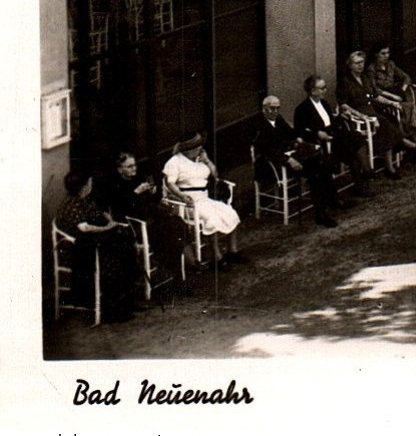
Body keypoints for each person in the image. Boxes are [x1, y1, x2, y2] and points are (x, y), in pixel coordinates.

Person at [55, 171, 141, 322]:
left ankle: (125, 301)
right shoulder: (72, 203)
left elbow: (99, 213)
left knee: (124, 244)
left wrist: (109, 221)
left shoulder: (85, 200)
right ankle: (110, 308)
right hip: (77, 246)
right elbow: (84, 228)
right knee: (113, 257)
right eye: (89, 182)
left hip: (92, 240)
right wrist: (108, 228)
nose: (91, 185)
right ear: (83, 186)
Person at [103, 151, 188, 296]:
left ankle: (177, 273)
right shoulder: (115, 185)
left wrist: (153, 192)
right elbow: (121, 210)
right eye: (129, 167)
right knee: (169, 232)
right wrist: (136, 193)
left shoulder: (138, 179)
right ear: (119, 169)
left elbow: (151, 203)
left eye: (134, 165)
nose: (133, 169)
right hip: (135, 227)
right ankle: (176, 276)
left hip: (150, 220)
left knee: (177, 224)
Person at [249, 94, 341, 228]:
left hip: (287, 157)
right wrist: (288, 160)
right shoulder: (258, 124)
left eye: (277, 108)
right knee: (316, 171)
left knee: (319, 165)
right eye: (272, 108)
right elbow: (265, 150)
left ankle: (330, 202)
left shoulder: (278, 119)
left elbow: (290, 133)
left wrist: (298, 138)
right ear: (264, 108)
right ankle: (322, 212)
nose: (275, 111)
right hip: (271, 165)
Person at [161, 132, 244, 268]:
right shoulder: (175, 162)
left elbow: (215, 175)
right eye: (198, 148)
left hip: (204, 199)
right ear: (188, 150)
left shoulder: (200, 158)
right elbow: (170, 184)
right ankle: (217, 257)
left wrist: (207, 161)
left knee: (231, 212)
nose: (201, 150)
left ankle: (232, 251)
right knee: (212, 219)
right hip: (188, 203)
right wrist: (182, 196)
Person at [337, 48, 415, 170]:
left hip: (372, 110)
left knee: (390, 120)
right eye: (357, 63)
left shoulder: (365, 78)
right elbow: (343, 105)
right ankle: (403, 147)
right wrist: (360, 115)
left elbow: (375, 96)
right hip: (359, 115)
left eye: (362, 62)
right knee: (384, 123)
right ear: (350, 65)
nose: (360, 65)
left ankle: (397, 154)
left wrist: (392, 103)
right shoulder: (345, 82)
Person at [296, 74, 371, 195]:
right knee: (353, 145)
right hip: (324, 143)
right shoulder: (302, 109)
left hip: (335, 137)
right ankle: (365, 174)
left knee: (356, 137)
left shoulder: (324, 103)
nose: (325, 90)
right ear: (313, 91)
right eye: (322, 88)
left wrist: (340, 116)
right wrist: (317, 132)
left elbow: (331, 122)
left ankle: (365, 173)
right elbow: (300, 130)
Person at [367, 44, 416, 145]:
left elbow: (406, 77)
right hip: (384, 97)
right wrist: (392, 96)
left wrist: (402, 89)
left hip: (396, 93)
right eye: (383, 54)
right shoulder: (371, 69)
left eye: (387, 53)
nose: (386, 56)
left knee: (407, 110)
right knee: (409, 107)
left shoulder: (391, 65)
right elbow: (374, 89)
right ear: (376, 55)